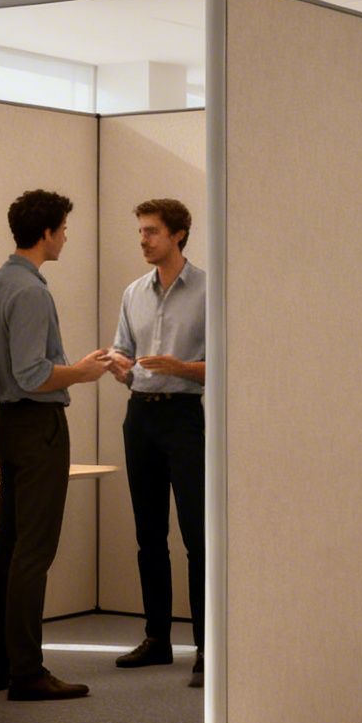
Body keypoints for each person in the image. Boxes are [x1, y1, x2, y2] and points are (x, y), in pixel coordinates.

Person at [0, 189, 113, 702]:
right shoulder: (30, 291)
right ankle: (28, 673)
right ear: (49, 232)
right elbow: (33, 374)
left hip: (8, 423)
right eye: (64, 229)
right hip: (37, 427)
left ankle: (1, 666)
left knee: (8, 548)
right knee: (33, 551)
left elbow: (7, 369)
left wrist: (75, 364)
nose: (66, 238)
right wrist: (82, 372)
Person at [105, 198, 207, 688]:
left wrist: (181, 368)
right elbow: (123, 351)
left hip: (185, 418)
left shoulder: (211, 290)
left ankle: (209, 648)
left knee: (197, 536)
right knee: (149, 535)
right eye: (141, 231)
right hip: (139, 417)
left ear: (179, 234)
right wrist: (120, 366)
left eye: (152, 232)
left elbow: (230, 365)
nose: (143, 240)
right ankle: (157, 639)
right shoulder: (133, 293)